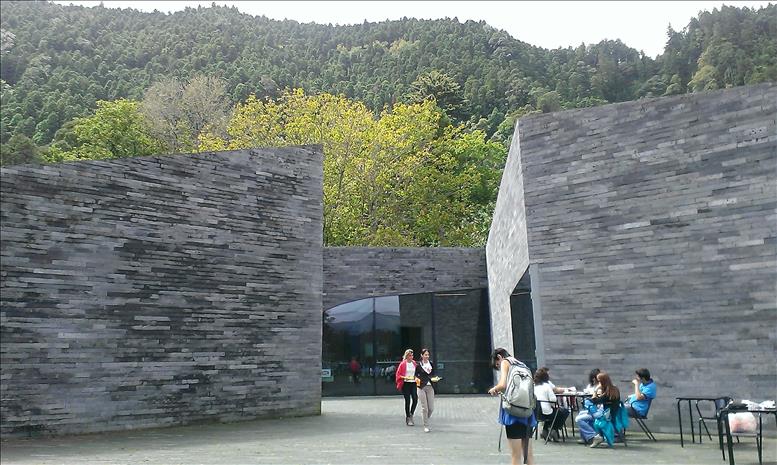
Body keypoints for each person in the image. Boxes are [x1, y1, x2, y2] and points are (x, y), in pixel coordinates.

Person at [487, 348, 535, 465]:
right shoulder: (522, 365)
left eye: (497, 364)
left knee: (515, 455)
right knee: (528, 454)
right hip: (527, 411)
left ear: (499, 357)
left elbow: (503, 384)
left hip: (514, 412)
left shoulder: (505, 362)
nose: (499, 367)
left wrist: (494, 389)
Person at [533, 367, 569, 442]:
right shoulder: (547, 386)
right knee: (564, 411)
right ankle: (554, 429)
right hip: (546, 412)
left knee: (553, 413)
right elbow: (553, 399)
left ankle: (545, 430)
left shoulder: (534, 386)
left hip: (536, 413)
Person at [589, 371, 621, 448]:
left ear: (602, 382)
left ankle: (599, 437)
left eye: (599, 381)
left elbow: (594, 401)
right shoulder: (614, 389)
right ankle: (600, 436)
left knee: (594, 420)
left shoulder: (607, 393)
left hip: (608, 416)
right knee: (596, 417)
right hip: (615, 413)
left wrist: (595, 390)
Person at [415, 348, 439, 433]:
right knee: (424, 407)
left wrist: (435, 378)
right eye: (425, 355)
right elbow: (415, 375)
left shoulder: (431, 364)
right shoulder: (418, 365)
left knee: (431, 408)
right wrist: (417, 379)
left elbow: (434, 374)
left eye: (428, 355)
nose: (427, 356)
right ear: (422, 355)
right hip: (421, 387)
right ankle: (426, 425)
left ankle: (425, 419)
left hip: (430, 387)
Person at [395, 348, 418, 426]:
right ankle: (408, 417)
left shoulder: (414, 363)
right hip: (406, 384)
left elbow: (417, 372)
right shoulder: (403, 364)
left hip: (413, 383)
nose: (411, 357)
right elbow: (398, 375)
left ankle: (411, 414)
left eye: (412, 355)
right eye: (410, 355)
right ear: (407, 356)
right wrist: (405, 377)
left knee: (415, 399)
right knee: (407, 400)